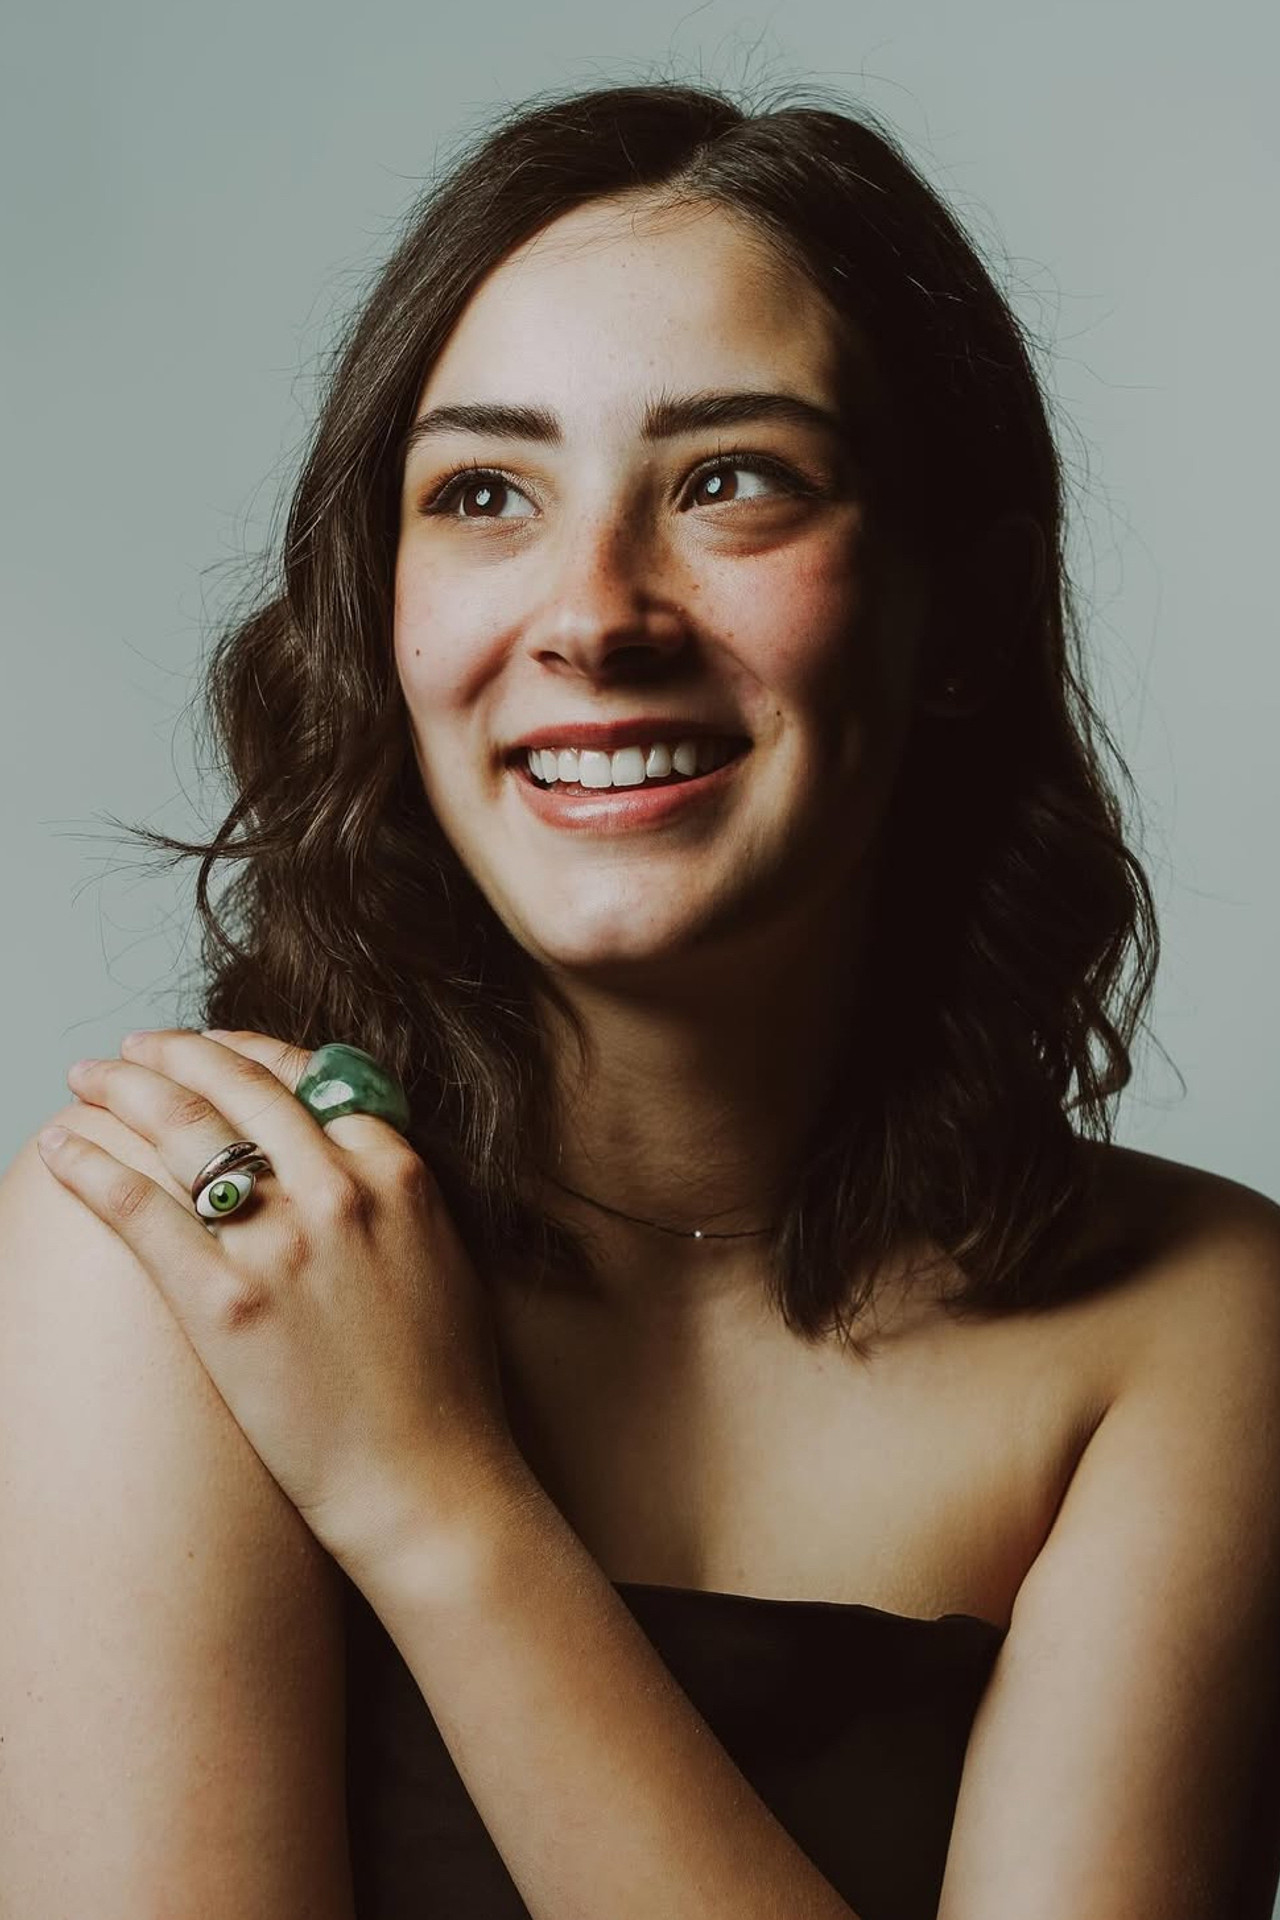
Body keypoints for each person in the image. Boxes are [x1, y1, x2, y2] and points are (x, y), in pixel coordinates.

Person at [2, 77, 1277, 1920]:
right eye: (483, 494)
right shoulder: (189, 1242)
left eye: (731, 480)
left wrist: (436, 1502)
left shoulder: (1195, 1325)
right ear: (382, 612)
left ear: (969, 614)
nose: (594, 613)